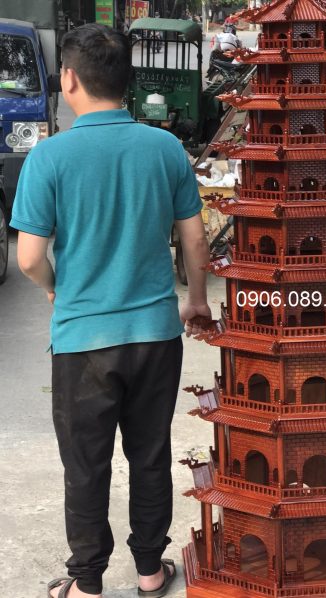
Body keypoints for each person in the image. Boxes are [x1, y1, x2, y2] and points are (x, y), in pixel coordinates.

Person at [10, 24, 211, 598]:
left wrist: (57, 289)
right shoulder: (165, 149)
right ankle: (150, 571)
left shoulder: (49, 156)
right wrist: (196, 301)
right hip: (155, 335)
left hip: (82, 343)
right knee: (149, 455)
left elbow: (29, 259)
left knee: (86, 465)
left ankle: (87, 583)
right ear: (128, 81)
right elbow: (195, 242)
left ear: (69, 79)